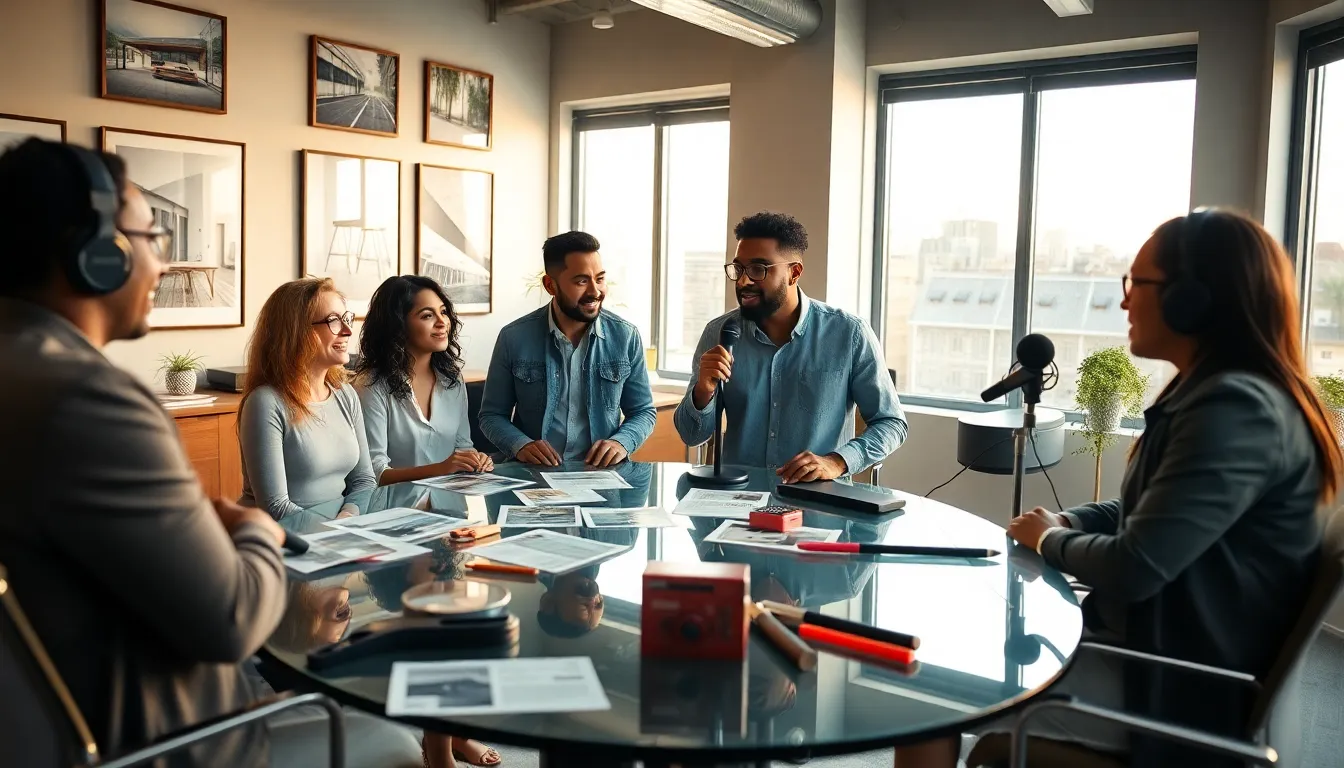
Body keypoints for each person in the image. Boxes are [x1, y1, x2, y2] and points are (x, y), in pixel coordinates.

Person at [0, 138, 420, 767]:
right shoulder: (93, 401)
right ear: (98, 256)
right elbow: (230, 617)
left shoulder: (21, 372)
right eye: (153, 240)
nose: (162, 266)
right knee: (393, 742)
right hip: (184, 739)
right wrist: (251, 529)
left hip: (85, 716)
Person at [905, 210, 1342, 768]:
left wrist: (1046, 542)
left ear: (1192, 300)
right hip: (1158, 651)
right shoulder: (1220, 392)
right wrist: (1073, 522)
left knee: (925, 689)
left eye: (1137, 283)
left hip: (1173, 690)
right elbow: (1151, 510)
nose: (1125, 301)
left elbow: (1137, 566)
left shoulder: (1236, 411)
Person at [674, 212, 908, 483]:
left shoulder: (849, 334)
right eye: (739, 269)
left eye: (758, 269)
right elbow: (691, 435)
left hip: (818, 502)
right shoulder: (719, 333)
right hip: (739, 499)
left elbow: (892, 423)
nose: (743, 281)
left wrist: (838, 461)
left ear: (794, 272)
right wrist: (703, 391)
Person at [479, 231, 656, 467]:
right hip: (533, 478)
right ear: (550, 285)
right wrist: (520, 445)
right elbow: (491, 416)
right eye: (581, 281)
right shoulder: (513, 337)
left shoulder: (626, 337)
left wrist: (622, 442)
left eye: (600, 278)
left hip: (602, 476)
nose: (595, 291)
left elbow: (643, 411)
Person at [239, 278, 377, 522]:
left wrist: (347, 518)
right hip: (285, 540)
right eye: (333, 321)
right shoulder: (266, 403)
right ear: (297, 332)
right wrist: (333, 533)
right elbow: (275, 507)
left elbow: (364, 481)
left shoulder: (346, 395)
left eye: (346, 319)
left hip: (341, 533)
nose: (347, 330)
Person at [354, 275, 493, 511]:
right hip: (394, 518)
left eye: (443, 312)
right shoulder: (371, 386)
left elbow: (463, 446)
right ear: (398, 325)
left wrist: (475, 459)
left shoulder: (453, 379)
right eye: (427, 316)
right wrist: (440, 468)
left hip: (451, 513)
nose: (442, 322)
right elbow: (374, 473)